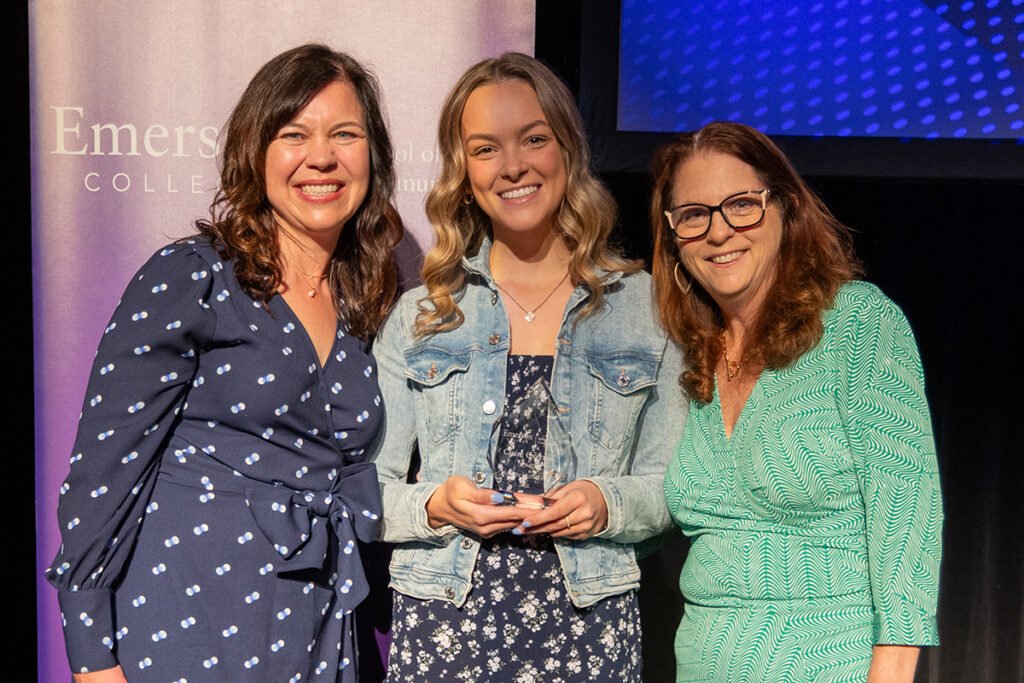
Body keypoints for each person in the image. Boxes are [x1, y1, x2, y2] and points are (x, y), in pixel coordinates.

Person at [45, 44, 402, 682]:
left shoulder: (373, 298)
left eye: (344, 134)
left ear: (371, 154)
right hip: (184, 619)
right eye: (295, 134)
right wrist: (93, 657)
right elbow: (103, 476)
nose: (322, 156)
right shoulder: (192, 277)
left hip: (318, 623)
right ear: (255, 150)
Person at [371, 52, 685, 681]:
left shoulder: (646, 308)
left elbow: (676, 488)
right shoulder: (420, 315)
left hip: (589, 628)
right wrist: (437, 504)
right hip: (444, 628)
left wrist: (607, 502)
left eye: (534, 139)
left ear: (568, 149)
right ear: (463, 171)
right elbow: (364, 492)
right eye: (485, 149)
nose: (512, 166)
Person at [651, 122, 942, 682]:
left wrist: (894, 670)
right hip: (703, 664)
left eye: (742, 205)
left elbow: (907, 514)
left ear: (785, 208)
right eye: (694, 215)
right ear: (673, 236)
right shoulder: (688, 354)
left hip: (835, 661)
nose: (719, 232)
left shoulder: (858, 325)